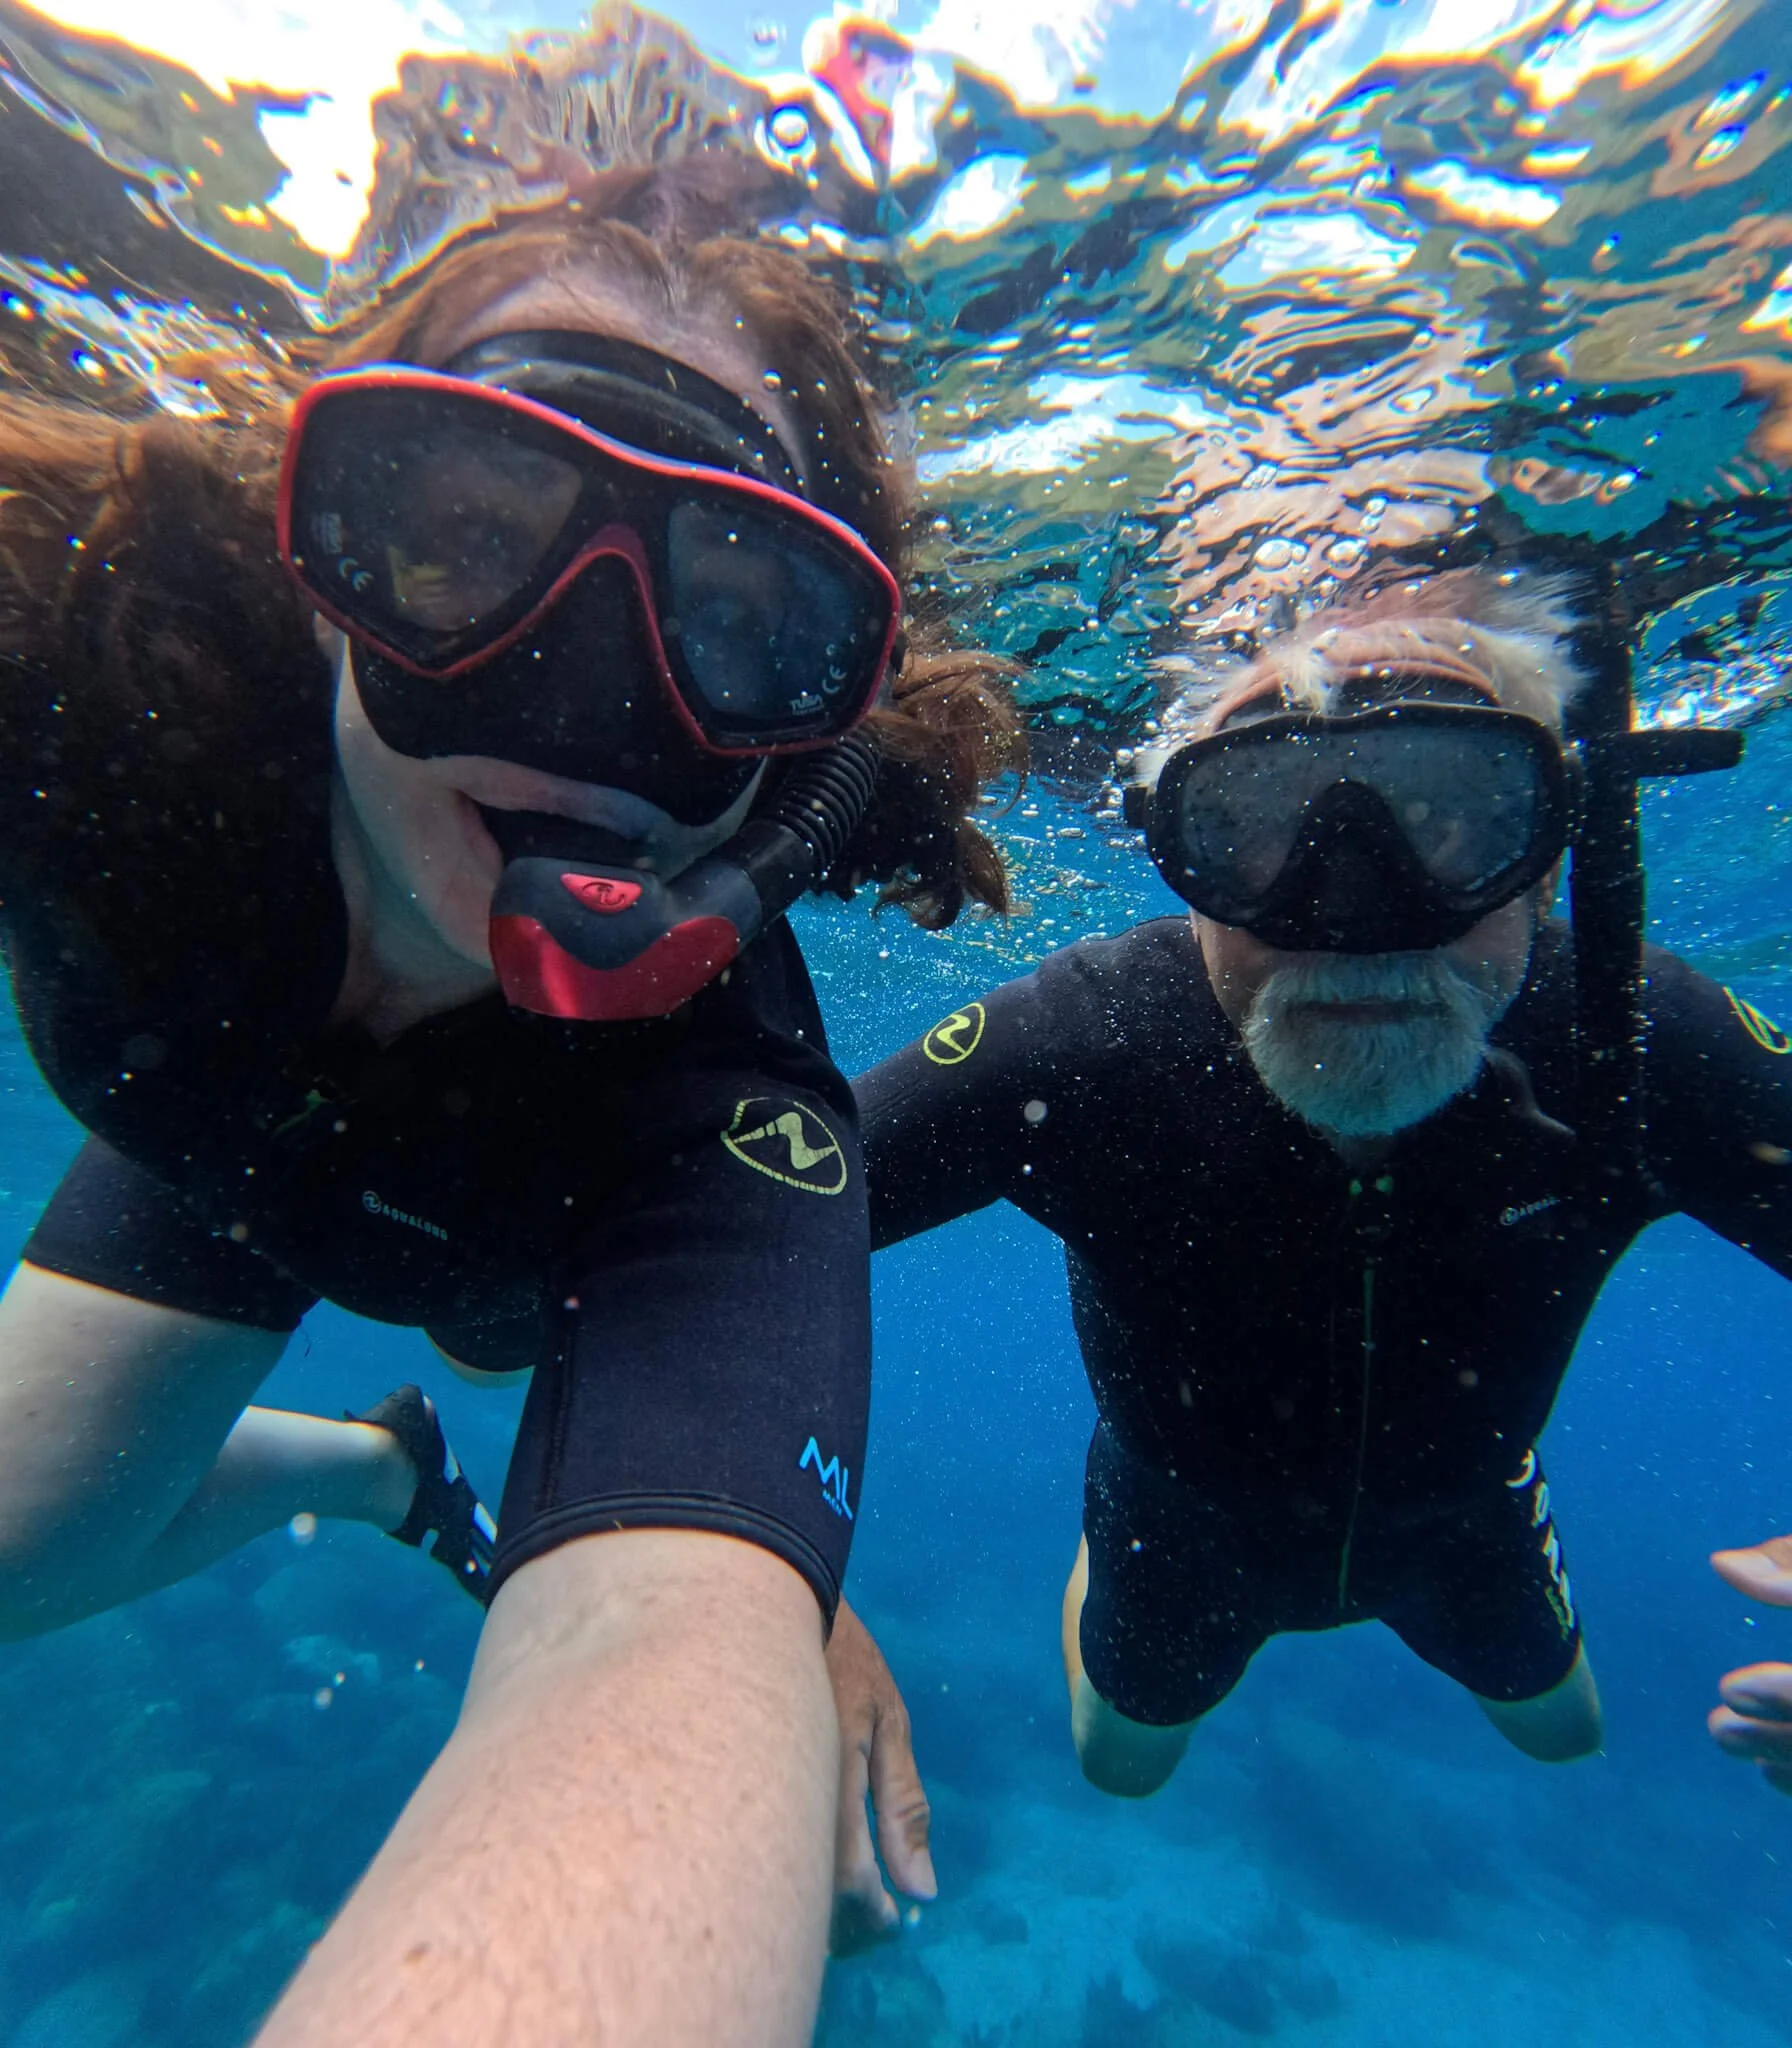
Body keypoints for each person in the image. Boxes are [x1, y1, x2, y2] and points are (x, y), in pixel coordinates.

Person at [0, 154, 1018, 2043]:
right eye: (465, 532)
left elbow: (651, 1652)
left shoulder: (726, 1102)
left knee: (575, 1431)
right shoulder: (82, 698)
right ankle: (381, 1472)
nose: (592, 700)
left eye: (740, 622)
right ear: (315, 551)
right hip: (220, 1167)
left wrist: (757, 1588)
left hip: (507, 1264)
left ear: (808, 720)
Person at [855, 567, 1792, 1806]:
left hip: (1462, 1519)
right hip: (1176, 1523)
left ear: (1550, 845)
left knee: (1567, 1734)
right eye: (1255, 820)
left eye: (1450, 812)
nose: (1353, 907)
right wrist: (756, 1567)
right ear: (1178, 856)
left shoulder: (1632, 1039)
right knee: (1119, 1767)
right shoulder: (1085, 1044)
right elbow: (707, 1228)